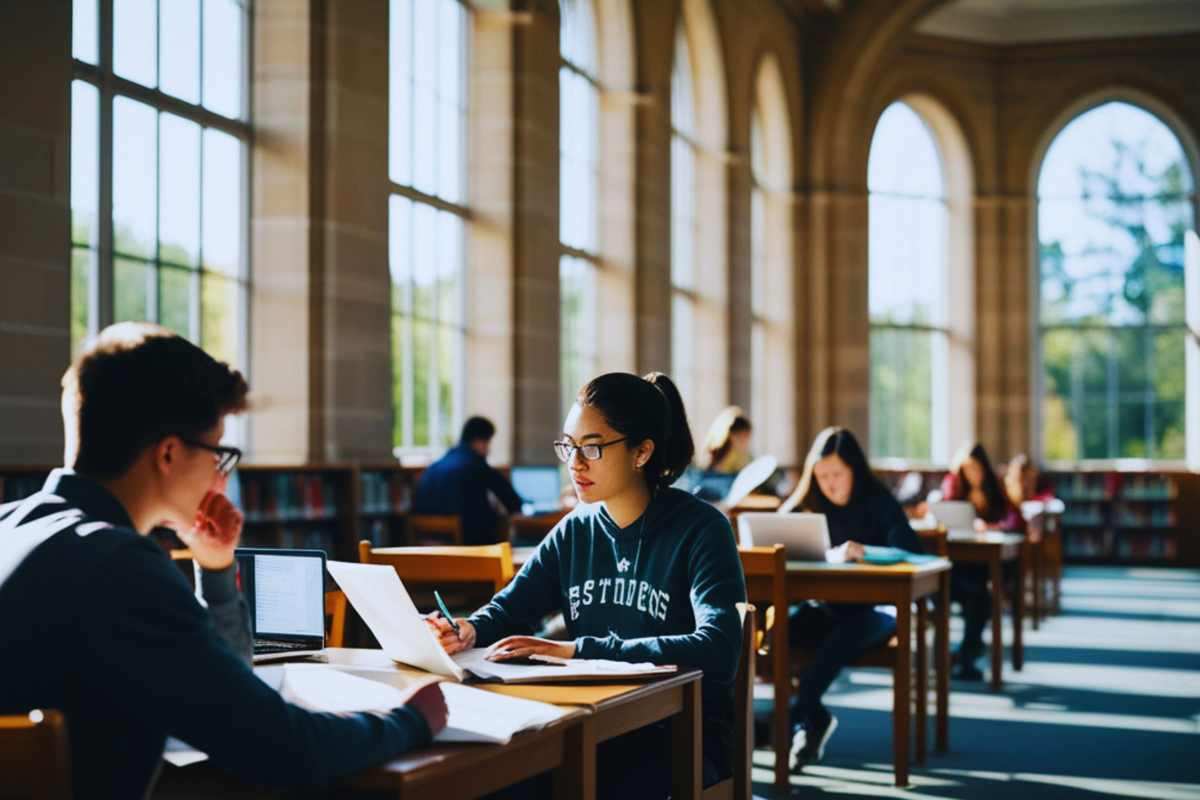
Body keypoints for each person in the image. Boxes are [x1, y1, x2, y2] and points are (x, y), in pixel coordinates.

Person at [0, 323, 447, 799]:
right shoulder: (121, 568)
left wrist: (215, 567)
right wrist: (410, 720)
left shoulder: (11, 526)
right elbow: (283, 749)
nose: (220, 476)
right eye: (219, 453)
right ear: (169, 453)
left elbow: (225, 691)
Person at [428, 372, 746, 798]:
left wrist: (580, 651)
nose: (575, 464)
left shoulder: (702, 528)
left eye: (592, 448)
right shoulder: (574, 529)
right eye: (568, 446)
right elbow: (511, 607)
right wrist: (466, 629)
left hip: (679, 734)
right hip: (592, 720)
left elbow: (719, 648)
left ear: (642, 452)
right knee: (487, 776)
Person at [778, 427, 923, 771]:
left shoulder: (878, 500)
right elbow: (776, 531)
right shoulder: (809, 501)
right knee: (775, 637)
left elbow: (912, 551)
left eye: (837, 475)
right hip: (825, 610)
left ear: (854, 471)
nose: (829, 484)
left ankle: (793, 718)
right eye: (822, 476)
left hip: (877, 614)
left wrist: (867, 552)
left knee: (834, 646)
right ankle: (811, 718)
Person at [940, 441, 1023, 680]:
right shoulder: (955, 489)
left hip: (989, 567)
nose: (972, 474)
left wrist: (989, 525)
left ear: (984, 468)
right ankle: (965, 654)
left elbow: (1013, 521)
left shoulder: (996, 490)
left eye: (976, 468)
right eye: (967, 469)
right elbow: (943, 516)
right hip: (959, 565)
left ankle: (965, 654)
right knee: (972, 594)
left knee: (979, 596)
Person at [411, 416, 523, 544]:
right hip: (465, 542)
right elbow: (511, 500)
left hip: (427, 540)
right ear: (480, 441)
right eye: (488, 443)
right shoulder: (475, 463)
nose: (488, 450)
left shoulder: (435, 466)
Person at [700, 406, 753, 474]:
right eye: (744, 437)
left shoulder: (744, 456)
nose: (746, 442)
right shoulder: (720, 455)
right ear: (732, 436)